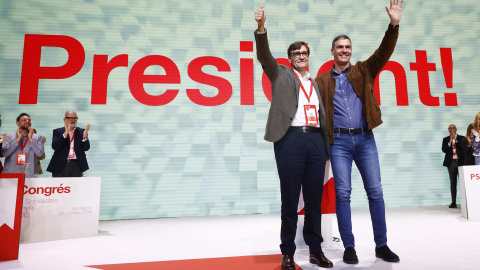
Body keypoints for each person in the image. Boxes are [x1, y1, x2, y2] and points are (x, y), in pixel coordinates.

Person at [314, 0, 404, 264]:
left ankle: (382, 245)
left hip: (365, 139)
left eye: (348, 47)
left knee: (375, 191)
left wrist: (393, 26)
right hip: (339, 141)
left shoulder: (364, 69)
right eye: (340, 47)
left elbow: (384, 52)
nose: (344, 50)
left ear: (351, 51)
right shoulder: (322, 81)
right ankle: (349, 246)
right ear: (332, 51)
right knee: (343, 194)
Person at [255, 4, 332, 269]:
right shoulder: (280, 73)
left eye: (304, 52)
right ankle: (287, 251)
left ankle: (315, 250)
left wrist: (327, 147)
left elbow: (322, 116)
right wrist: (262, 28)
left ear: (309, 56)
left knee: (313, 200)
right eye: (296, 53)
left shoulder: (315, 82)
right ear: (289, 58)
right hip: (289, 141)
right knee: (290, 199)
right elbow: (264, 56)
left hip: (315, 141)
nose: (301, 56)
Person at [47, 110, 90, 177]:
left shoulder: (81, 131)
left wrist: (85, 137)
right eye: (70, 118)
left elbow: (86, 148)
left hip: (76, 165)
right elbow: (55, 146)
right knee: (60, 186)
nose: (73, 120)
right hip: (61, 165)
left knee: (75, 186)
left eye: (75, 118)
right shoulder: (58, 131)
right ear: (64, 119)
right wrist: (65, 134)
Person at [1, 113, 45, 177]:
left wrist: (31, 139)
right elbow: (5, 153)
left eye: (29, 120)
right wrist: (17, 140)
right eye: (24, 120)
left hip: (30, 175)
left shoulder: (38, 137)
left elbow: (40, 154)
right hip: (11, 175)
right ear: (17, 123)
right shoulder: (9, 136)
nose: (27, 121)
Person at [442, 124, 465, 208]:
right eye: (450, 128)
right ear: (448, 130)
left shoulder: (462, 138)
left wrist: (456, 140)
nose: (451, 129)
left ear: (456, 129)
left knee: (462, 183)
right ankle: (453, 202)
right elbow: (444, 150)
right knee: (453, 183)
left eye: (453, 128)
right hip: (451, 163)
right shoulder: (446, 139)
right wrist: (450, 142)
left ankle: (464, 202)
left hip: (461, 162)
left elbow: (463, 148)